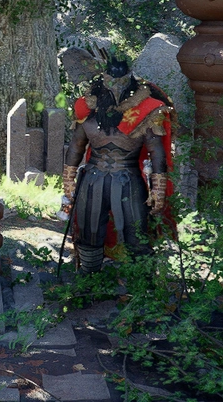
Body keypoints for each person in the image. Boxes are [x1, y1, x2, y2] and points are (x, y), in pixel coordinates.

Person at [62, 57, 175, 272]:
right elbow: (76, 147)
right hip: (92, 179)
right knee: (89, 233)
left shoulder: (147, 110)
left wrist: (158, 190)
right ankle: (89, 277)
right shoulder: (87, 108)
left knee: (136, 235)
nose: (115, 86)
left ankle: (141, 282)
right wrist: (68, 181)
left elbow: (157, 153)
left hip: (128, 179)